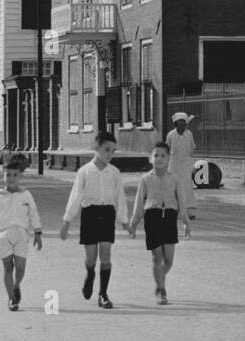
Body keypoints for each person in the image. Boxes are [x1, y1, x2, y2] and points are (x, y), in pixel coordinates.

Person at [58, 131, 129, 309]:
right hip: (89, 214)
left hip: (107, 214)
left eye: (113, 151)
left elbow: (120, 196)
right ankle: (90, 275)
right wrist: (67, 221)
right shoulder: (84, 172)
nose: (110, 154)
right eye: (106, 150)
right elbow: (75, 197)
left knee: (105, 256)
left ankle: (103, 294)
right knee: (91, 258)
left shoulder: (114, 173)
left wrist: (124, 220)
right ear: (96, 148)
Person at [129, 142, 191, 304]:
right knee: (157, 258)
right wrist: (134, 223)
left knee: (169, 260)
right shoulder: (146, 179)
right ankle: (161, 290)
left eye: (163, 155)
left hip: (169, 218)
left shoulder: (174, 179)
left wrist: (185, 221)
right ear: (151, 158)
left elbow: (182, 201)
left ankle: (159, 278)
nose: (159, 159)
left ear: (169, 158)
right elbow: (139, 203)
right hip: (152, 217)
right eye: (156, 155)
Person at [0, 150, 43, 310]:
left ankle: (16, 286)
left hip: (21, 234)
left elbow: (33, 213)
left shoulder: (26, 195)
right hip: (2, 235)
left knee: (21, 267)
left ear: (20, 176)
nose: (11, 178)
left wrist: (38, 233)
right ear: (3, 176)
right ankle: (11, 299)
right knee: (8, 267)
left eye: (15, 175)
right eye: (8, 175)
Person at [166, 112, 198, 220]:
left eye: (184, 122)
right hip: (173, 164)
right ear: (176, 124)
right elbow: (167, 149)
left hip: (185, 165)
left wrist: (190, 163)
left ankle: (186, 211)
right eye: (180, 122)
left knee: (186, 188)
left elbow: (192, 149)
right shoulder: (171, 135)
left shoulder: (189, 134)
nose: (182, 125)